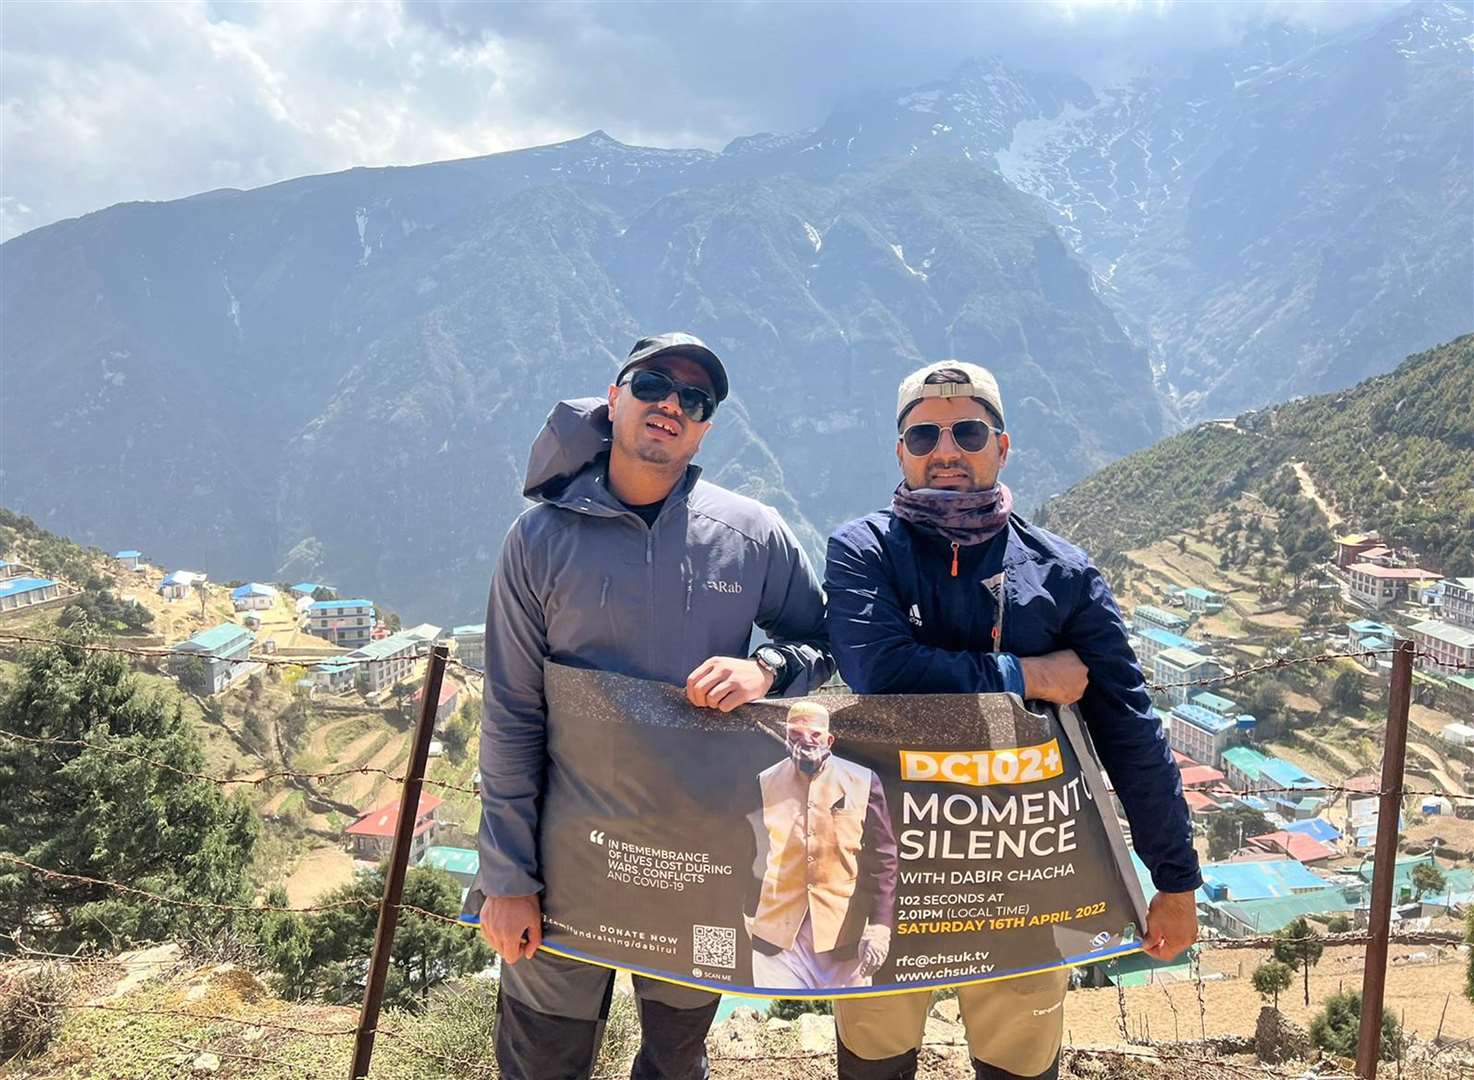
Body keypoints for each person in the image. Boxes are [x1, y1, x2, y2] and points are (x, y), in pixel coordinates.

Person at [823, 361, 1202, 1080]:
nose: (946, 448)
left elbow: (1127, 726)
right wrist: (1027, 676)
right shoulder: (862, 550)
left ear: (1002, 445)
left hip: (1024, 872)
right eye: (923, 433)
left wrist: (1175, 881)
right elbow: (882, 676)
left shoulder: (1063, 573)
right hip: (886, 870)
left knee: (1017, 1068)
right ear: (899, 450)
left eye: (968, 429)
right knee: (873, 1062)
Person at [476, 332, 834, 1080]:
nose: (671, 403)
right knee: (542, 1063)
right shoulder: (539, 540)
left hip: (701, 868)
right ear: (614, 399)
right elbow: (511, 711)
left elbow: (825, 638)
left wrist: (769, 668)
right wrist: (508, 880)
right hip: (565, 867)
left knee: (676, 1064)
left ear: (704, 427)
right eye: (652, 385)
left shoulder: (751, 534)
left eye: (694, 398)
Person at [744, 700, 897, 991]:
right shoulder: (764, 782)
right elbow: (752, 851)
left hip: (845, 939)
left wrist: (879, 926)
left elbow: (883, 858)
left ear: (829, 740)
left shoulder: (863, 781)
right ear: (786, 737)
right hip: (777, 940)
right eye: (796, 735)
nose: (805, 743)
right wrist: (749, 912)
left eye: (814, 735)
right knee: (778, 1018)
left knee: (851, 1028)